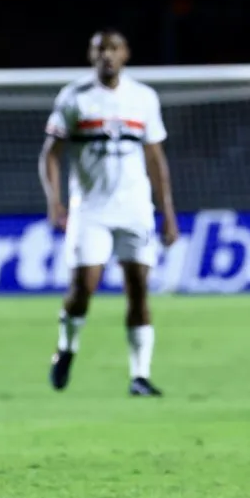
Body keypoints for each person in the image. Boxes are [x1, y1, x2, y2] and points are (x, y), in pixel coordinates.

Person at [39, 28, 179, 397]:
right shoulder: (74, 97)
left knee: (139, 289)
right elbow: (50, 154)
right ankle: (67, 348)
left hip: (135, 210)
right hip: (91, 212)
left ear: (125, 54)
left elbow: (155, 158)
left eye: (113, 49)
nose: (107, 56)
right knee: (83, 289)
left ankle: (140, 375)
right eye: (100, 49)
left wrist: (168, 213)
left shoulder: (143, 98)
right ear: (91, 55)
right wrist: (54, 201)